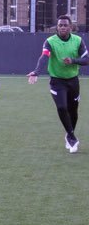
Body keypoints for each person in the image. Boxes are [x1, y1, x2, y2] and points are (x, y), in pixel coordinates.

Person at [27, 15, 89, 153]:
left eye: (65, 25)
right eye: (60, 25)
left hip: (73, 81)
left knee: (73, 111)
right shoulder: (50, 41)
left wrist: (73, 61)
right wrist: (36, 71)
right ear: (57, 27)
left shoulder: (78, 41)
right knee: (62, 107)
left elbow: (86, 59)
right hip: (57, 81)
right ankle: (72, 137)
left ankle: (69, 134)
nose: (62, 27)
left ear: (70, 27)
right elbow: (44, 57)